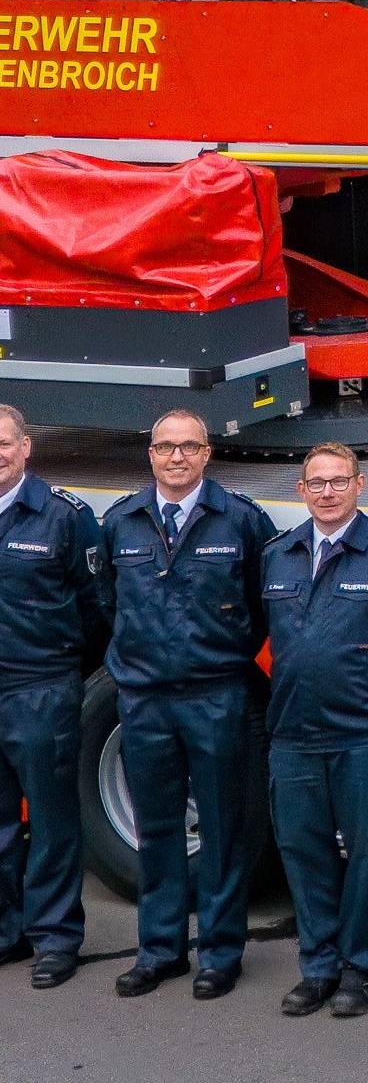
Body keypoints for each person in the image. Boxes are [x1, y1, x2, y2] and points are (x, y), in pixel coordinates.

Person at [260, 442, 368, 1019]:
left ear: (361, 486)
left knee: (364, 854)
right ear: (301, 491)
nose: (328, 492)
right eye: (317, 482)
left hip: (364, 734)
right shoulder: (278, 555)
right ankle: (318, 968)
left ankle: (361, 969)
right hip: (293, 735)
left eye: (340, 481)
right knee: (302, 851)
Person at [100, 410, 273, 1000]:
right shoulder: (121, 521)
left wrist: (219, 657)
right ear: (150, 454)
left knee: (224, 830)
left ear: (208, 454)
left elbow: (263, 602)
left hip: (215, 696)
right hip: (144, 700)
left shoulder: (242, 521)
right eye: (166, 447)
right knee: (157, 830)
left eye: (189, 447)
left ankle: (221, 955)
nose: (177, 457)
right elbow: (106, 605)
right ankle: (160, 951)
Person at [0, 402, 110, 991]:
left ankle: (55, 938)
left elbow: (97, 607)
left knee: (50, 821)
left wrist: (65, 669)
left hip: (40, 686)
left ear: (25, 447)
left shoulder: (64, 517)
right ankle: (5, 932)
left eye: (3, 443)